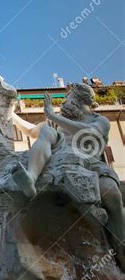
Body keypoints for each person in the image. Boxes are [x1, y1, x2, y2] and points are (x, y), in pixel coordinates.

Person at [11, 84, 124, 268]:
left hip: (90, 162)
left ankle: (121, 248)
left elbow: (89, 133)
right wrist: (10, 113)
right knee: (47, 131)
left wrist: (53, 116)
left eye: (68, 98)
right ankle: (31, 178)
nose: (64, 102)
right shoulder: (58, 122)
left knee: (111, 193)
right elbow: (31, 131)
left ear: (80, 100)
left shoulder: (99, 120)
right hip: (60, 157)